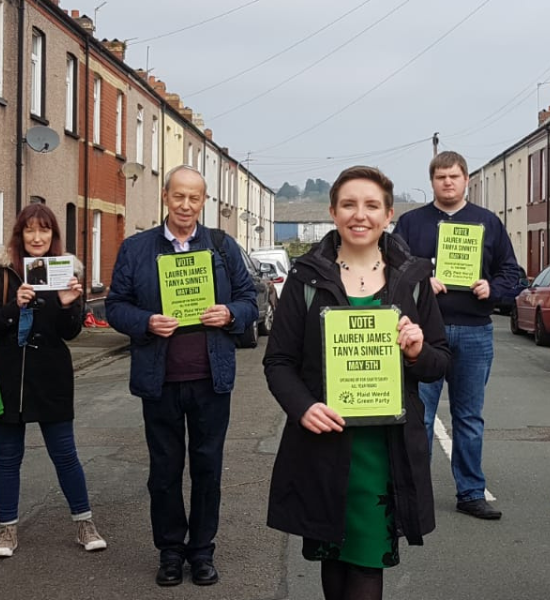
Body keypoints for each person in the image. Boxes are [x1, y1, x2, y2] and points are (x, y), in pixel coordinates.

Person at [263, 166, 449, 600]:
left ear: (388, 216)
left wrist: (418, 352)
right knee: (333, 558)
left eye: (371, 206)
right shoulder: (306, 278)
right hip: (324, 444)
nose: (359, 215)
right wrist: (303, 407)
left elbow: (441, 361)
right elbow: (279, 361)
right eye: (349, 204)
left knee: (368, 563)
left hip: (384, 451)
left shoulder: (413, 279)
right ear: (333, 212)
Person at [106, 165, 258, 587]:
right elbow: (115, 305)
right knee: (165, 470)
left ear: (203, 202)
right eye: (179, 197)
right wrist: (145, 322)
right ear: (165, 198)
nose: (186, 205)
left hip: (211, 378)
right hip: (160, 379)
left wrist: (230, 314)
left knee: (208, 468)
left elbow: (250, 299)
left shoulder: (223, 247)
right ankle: (171, 550)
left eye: (194, 198)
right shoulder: (137, 249)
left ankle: (202, 550)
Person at [391, 150, 525, 520]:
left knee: (469, 417)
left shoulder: (488, 223)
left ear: (467, 180)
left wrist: (492, 289)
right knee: (419, 415)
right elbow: (390, 270)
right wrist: (420, 279)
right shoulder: (410, 223)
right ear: (431, 181)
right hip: (423, 333)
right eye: (440, 177)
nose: (447, 183)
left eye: (454, 176)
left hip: (474, 330)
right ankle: (416, 494)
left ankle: (470, 492)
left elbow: (511, 273)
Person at [0, 203, 105, 559]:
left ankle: (85, 523)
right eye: (30, 230)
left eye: (44, 230)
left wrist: (68, 304)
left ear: (53, 235)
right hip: (9, 376)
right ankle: (7, 530)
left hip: (51, 375)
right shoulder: (3, 272)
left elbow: (69, 333)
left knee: (65, 454)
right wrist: (12, 307)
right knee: (7, 458)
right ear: (20, 234)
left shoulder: (64, 271)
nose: (37, 237)